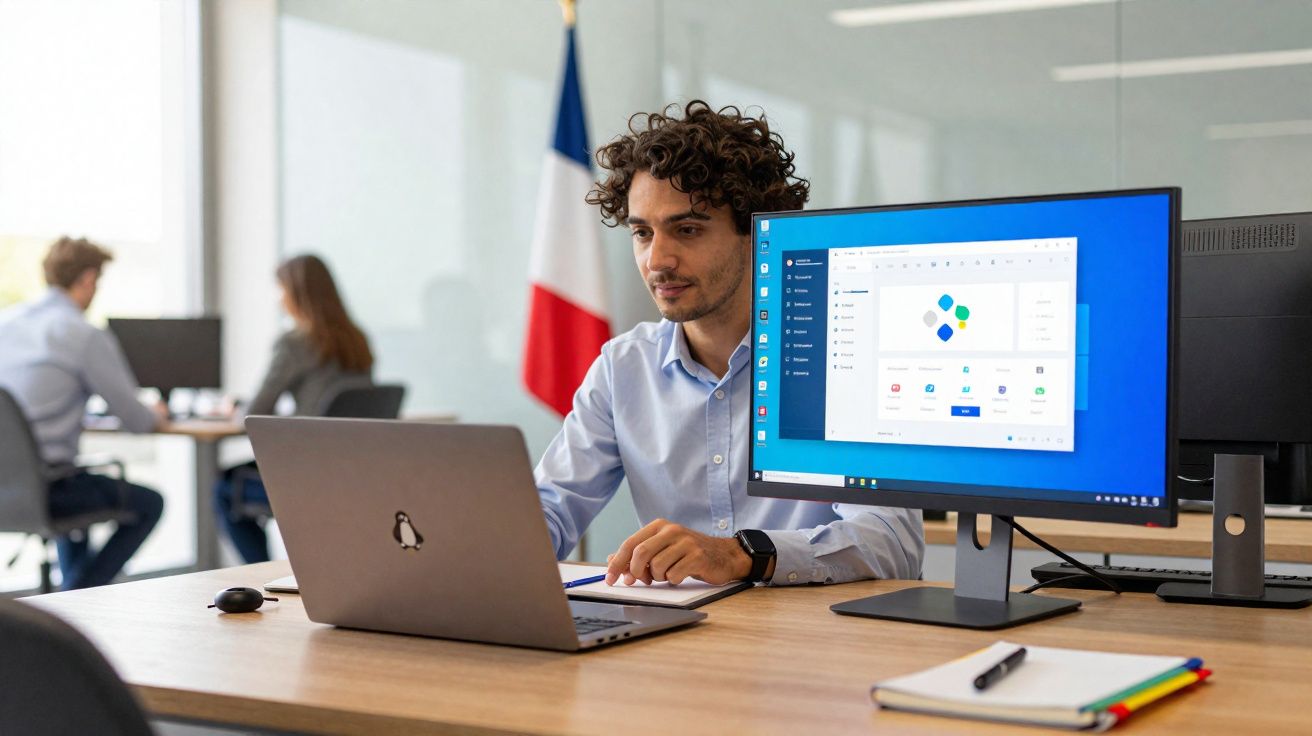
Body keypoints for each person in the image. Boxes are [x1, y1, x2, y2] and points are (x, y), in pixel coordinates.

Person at [536, 101, 924, 588]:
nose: (657, 260)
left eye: (688, 229)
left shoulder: (840, 356)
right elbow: (549, 508)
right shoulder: (623, 367)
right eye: (642, 233)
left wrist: (743, 555)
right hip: (678, 639)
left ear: (757, 234)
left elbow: (892, 541)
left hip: (818, 642)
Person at [0, 237, 166, 589]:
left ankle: (71, 599)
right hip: (49, 489)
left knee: (76, 492)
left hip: (8, 488)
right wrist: (156, 412)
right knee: (149, 503)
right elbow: (137, 421)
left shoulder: (6, 324)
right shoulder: (82, 335)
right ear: (89, 279)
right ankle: (77, 594)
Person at [214, 254, 374, 563]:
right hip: (351, 475)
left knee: (224, 489)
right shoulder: (357, 341)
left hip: (305, 476)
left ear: (297, 293)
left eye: (281, 289)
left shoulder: (295, 342)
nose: (279, 300)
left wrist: (235, 408)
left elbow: (255, 413)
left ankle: (258, 578)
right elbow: (329, 412)